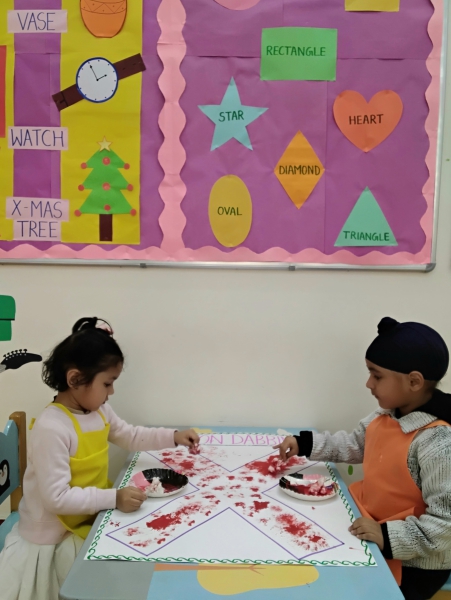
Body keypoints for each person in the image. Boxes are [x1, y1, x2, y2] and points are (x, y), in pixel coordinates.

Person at [0, 317, 199, 600]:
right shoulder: (51, 428)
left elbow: (130, 436)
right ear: (75, 379)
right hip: (53, 539)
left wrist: (174, 437)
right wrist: (114, 498)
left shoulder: (99, 411)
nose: (112, 392)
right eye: (107, 383)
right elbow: (57, 498)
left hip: (87, 519)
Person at [275, 317, 451, 600]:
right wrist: (305, 443)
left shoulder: (438, 442)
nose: (368, 383)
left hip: (411, 565)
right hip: (368, 527)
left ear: (414, 381)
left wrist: (387, 536)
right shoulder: (384, 416)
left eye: (377, 375)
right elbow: (354, 445)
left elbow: (446, 524)